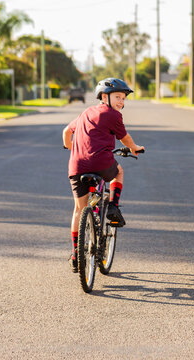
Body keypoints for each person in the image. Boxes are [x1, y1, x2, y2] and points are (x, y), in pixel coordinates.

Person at [62, 78, 144, 272]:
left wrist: (73, 149)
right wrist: (135, 148)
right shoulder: (112, 115)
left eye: (123, 99)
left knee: (79, 209)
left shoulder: (85, 113)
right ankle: (114, 207)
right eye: (117, 97)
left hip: (76, 165)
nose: (121, 102)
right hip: (101, 163)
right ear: (104, 97)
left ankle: (76, 254)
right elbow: (125, 138)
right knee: (119, 172)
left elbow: (66, 132)